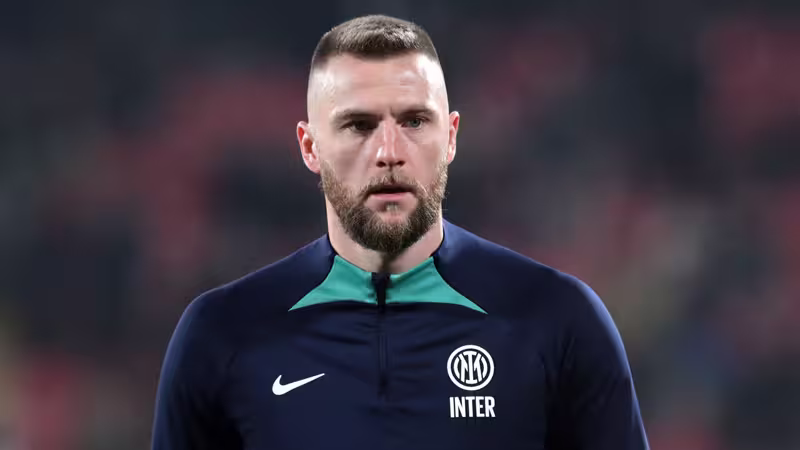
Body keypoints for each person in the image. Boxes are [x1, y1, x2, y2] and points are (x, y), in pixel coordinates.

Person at [151, 14, 650, 450]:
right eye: (358, 125)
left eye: (414, 121)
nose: (389, 152)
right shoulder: (223, 334)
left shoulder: (558, 320)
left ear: (450, 137)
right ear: (309, 146)